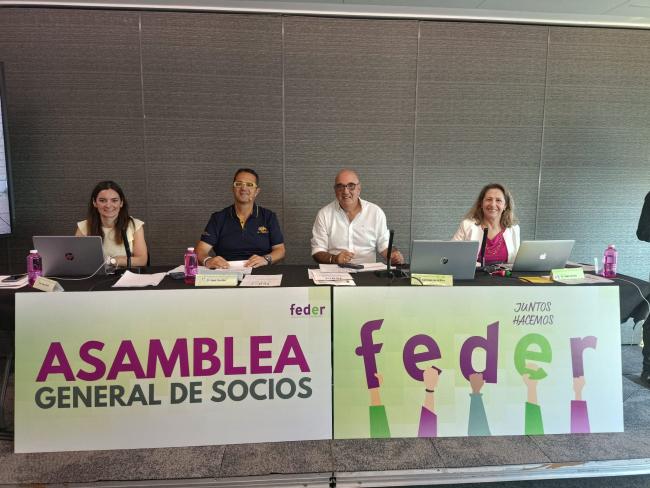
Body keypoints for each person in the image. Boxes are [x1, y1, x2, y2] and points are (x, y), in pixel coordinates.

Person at [196, 168, 285, 269]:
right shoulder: (218, 218)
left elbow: (280, 250)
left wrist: (265, 259)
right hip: (226, 272)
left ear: (257, 191)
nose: (243, 188)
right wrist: (207, 260)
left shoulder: (269, 217)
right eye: (238, 184)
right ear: (233, 188)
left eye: (249, 185)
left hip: (261, 271)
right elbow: (201, 250)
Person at [311, 169, 404, 265]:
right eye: (340, 186)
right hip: (335, 272)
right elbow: (317, 251)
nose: (345, 191)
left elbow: (384, 245)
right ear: (335, 190)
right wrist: (335, 259)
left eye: (351, 186)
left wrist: (393, 255)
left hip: (367, 273)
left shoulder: (375, 212)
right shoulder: (324, 214)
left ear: (359, 188)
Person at [75, 180, 148, 267]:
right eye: (102, 200)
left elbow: (142, 260)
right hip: (96, 278)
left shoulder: (135, 225)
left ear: (121, 203)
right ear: (94, 202)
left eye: (114, 200)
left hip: (126, 277)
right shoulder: (84, 227)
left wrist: (113, 261)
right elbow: (76, 258)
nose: (108, 205)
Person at [452, 183, 520, 265]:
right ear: (481, 203)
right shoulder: (467, 225)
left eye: (498, 200)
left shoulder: (513, 229)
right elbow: (452, 254)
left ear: (505, 205)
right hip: (474, 276)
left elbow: (516, 261)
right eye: (489, 199)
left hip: (504, 276)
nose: (492, 204)